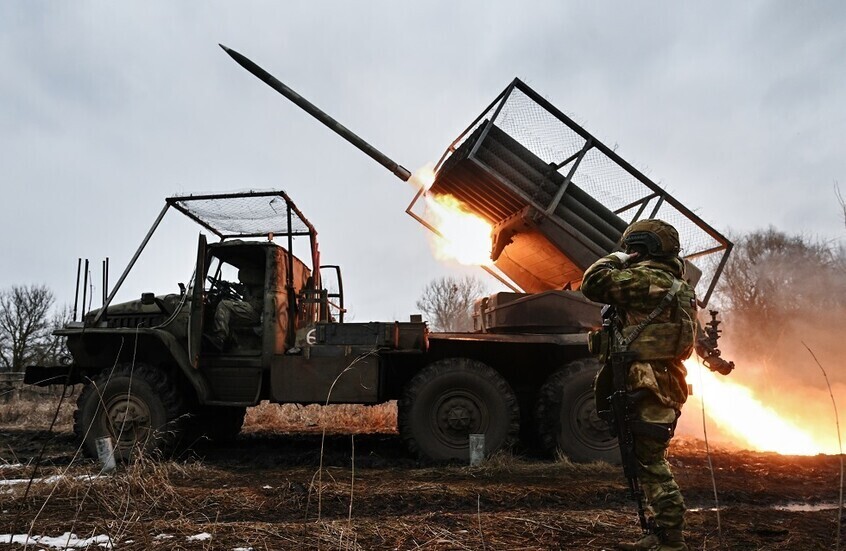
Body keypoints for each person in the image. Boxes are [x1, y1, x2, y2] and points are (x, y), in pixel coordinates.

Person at [580, 219, 696, 551]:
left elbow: (592, 282)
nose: (630, 252)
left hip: (647, 382)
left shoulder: (646, 279)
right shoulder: (679, 286)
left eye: (634, 248)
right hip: (662, 381)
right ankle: (659, 533)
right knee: (645, 459)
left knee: (650, 463)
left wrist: (617, 258)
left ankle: (671, 539)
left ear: (642, 248)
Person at [210, 267, 264, 350]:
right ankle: (230, 343)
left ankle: (220, 338)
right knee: (228, 315)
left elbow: (245, 288)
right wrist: (230, 285)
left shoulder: (259, 284)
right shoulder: (250, 286)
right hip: (251, 311)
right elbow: (241, 289)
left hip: (254, 312)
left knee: (224, 305)